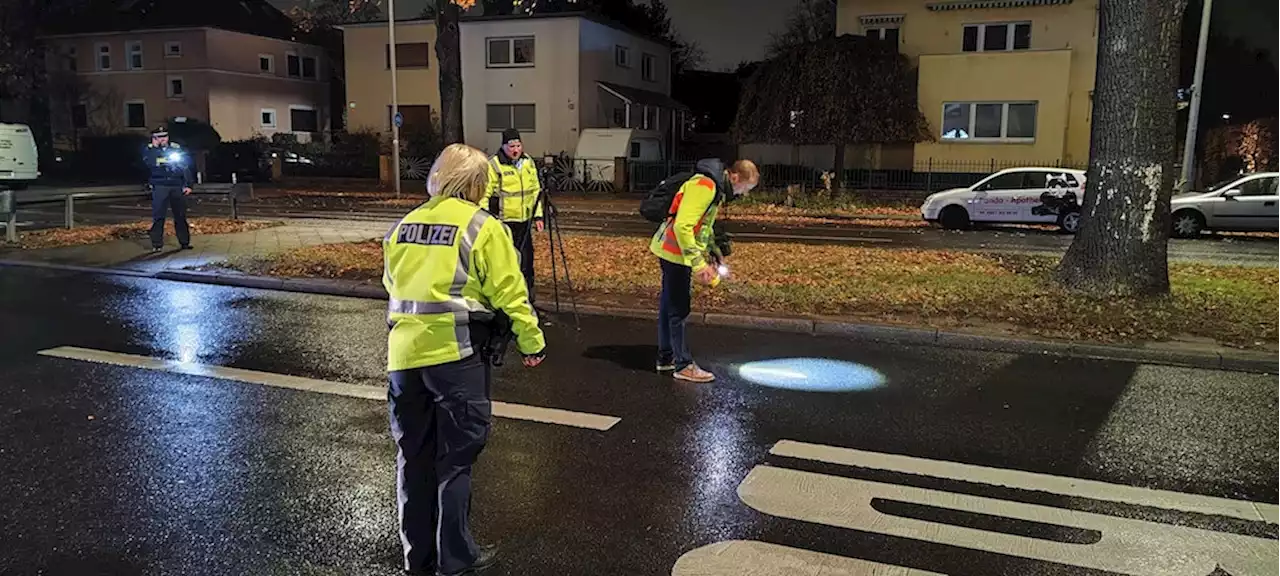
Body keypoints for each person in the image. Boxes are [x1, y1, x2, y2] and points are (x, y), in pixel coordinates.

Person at [383, 143, 547, 576]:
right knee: (454, 462)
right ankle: (454, 560)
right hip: (456, 358)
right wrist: (532, 343)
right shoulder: (482, 227)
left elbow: (392, 282)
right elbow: (511, 292)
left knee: (413, 458)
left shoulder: (404, 224)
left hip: (403, 360)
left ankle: (418, 560)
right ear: (476, 184)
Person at [651, 158, 759, 383]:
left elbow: (703, 227)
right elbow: (683, 226)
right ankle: (683, 365)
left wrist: (714, 250)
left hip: (672, 251)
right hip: (676, 254)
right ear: (736, 177)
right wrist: (698, 265)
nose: (743, 194)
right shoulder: (706, 187)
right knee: (678, 310)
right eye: (745, 188)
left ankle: (666, 358)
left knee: (668, 306)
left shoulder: (713, 188)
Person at [481, 129, 544, 304]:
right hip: (504, 222)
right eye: (511, 146)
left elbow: (535, 191)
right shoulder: (494, 164)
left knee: (527, 260)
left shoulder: (527, 162)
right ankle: (506, 298)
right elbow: (485, 194)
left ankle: (528, 298)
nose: (515, 150)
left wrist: (538, 216)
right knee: (507, 262)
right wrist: (485, 220)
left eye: (518, 145)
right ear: (503, 147)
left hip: (524, 221)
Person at [142, 126, 194, 252]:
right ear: (154, 138)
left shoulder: (175, 149)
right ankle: (157, 244)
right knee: (159, 216)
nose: (162, 139)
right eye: (159, 137)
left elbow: (185, 167)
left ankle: (184, 242)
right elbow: (147, 163)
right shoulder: (150, 151)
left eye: (164, 136)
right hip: (160, 186)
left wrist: (188, 184)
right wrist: (154, 148)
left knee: (180, 216)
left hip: (176, 185)